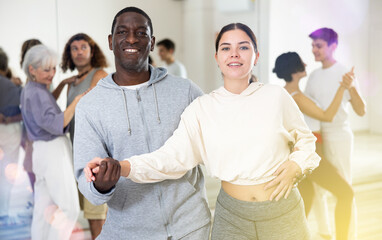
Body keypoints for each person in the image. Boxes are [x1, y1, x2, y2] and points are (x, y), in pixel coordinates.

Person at [86, 23, 321, 240]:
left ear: (256, 56)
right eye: (226, 48)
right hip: (232, 217)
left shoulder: (276, 96)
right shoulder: (202, 108)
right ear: (217, 57)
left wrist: (297, 165)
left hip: (283, 212)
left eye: (244, 47)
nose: (234, 54)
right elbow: (170, 158)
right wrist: (121, 166)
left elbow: (306, 139)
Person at [73, 7, 211, 240]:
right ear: (110, 41)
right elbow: (86, 182)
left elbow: (217, 137)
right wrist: (101, 186)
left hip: (190, 226)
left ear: (152, 41)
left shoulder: (185, 90)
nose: (131, 39)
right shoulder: (90, 106)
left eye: (141, 33)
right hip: (129, 232)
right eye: (122, 32)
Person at [273, 51, 355, 240]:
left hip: (303, 154)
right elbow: (327, 116)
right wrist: (342, 88)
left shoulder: (287, 94)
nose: (306, 65)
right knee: (346, 193)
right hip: (309, 154)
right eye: (302, 63)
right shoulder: (295, 96)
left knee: (306, 202)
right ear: (295, 69)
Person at [305, 28, 366, 239]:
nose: (314, 50)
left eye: (318, 45)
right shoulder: (312, 77)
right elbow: (308, 112)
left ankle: (348, 235)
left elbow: (361, 110)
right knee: (318, 188)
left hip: (340, 136)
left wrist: (352, 88)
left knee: (344, 188)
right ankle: (325, 233)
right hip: (317, 137)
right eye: (312, 45)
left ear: (333, 46)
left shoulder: (345, 74)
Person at [20, 44, 84, 240]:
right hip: (52, 151)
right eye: (47, 69)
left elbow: (45, 111)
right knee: (69, 208)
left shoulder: (32, 89)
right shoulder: (37, 92)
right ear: (32, 69)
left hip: (42, 152)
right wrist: (77, 100)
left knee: (42, 209)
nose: (52, 73)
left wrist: (63, 84)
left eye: (54, 68)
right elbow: (57, 123)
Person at [54, 33, 109, 239]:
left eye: (83, 47)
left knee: (97, 216)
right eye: (74, 49)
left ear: (92, 51)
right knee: (86, 214)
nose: (79, 52)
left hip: (95, 153)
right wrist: (61, 84)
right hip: (76, 152)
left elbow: (91, 104)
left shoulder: (100, 74)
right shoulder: (71, 83)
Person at [0, 47, 23, 224]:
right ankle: (4, 212)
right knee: (7, 173)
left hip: (8, 129)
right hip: (12, 130)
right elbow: (26, 113)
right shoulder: (15, 86)